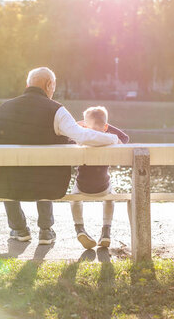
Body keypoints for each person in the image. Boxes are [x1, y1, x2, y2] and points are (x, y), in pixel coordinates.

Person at [0, 67, 120, 245]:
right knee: (43, 172)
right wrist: (113, 138)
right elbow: (83, 136)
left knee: (8, 170)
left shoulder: (4, 108)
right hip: (44, 184)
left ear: (27, 84)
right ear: (49, 85)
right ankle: (45, 230)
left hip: (7, 183)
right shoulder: (57, 111)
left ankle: (19, 229)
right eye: (53, 86)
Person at [70, 106, 129, 249]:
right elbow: (125, 138)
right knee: (111, 196)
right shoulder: (110, 139)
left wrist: (80, 124)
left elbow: (66, 137)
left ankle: (79, 228)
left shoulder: (81, 140)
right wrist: (104, 126)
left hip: (82, 186)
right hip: (103, 187)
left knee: (73, 196)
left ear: (85, 125)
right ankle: (106, 231)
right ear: (106, 126)